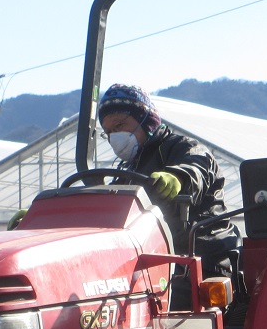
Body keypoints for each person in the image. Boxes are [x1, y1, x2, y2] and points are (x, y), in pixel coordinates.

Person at [96, 84, 226, 244]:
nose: (114, 136)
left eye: (119, 126)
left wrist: (178, 177)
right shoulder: (129, 171)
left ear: (145, 120)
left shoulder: (183, 147)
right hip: (153, 252)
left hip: (203, 250)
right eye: (108, 132)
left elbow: (199, 165)